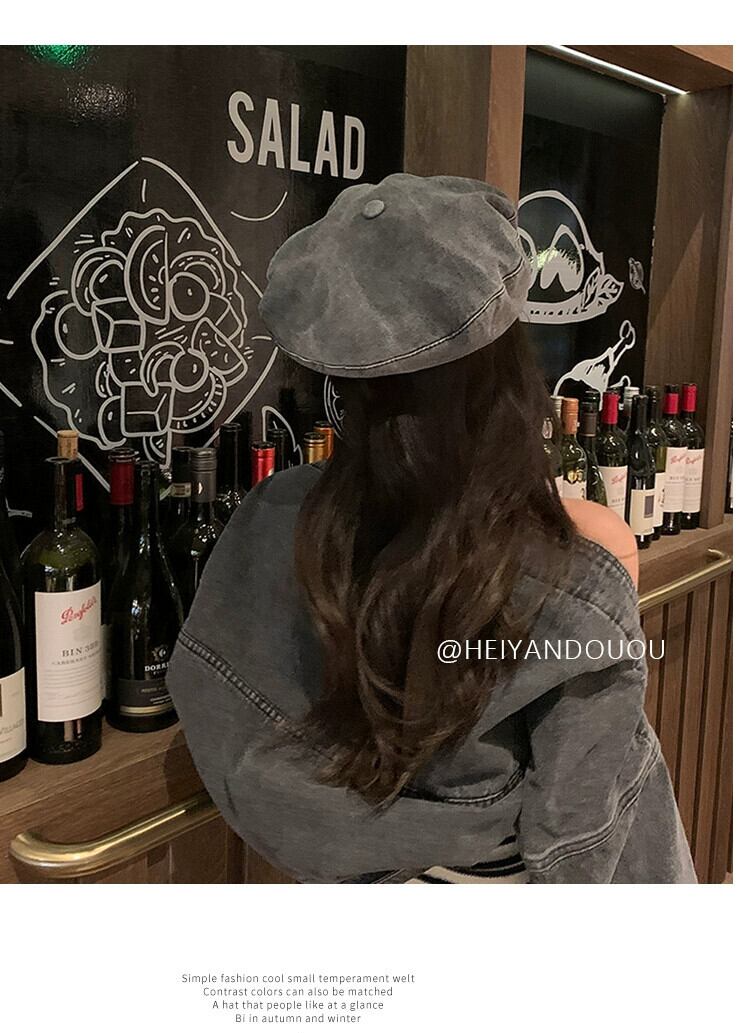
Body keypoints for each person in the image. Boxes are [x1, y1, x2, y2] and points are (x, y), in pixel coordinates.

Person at [167, 174, 696, 884]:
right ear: (508, 372)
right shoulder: (573, 577)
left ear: (335, 378)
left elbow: (221, 720)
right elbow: (581, 844)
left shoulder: (270, 519)